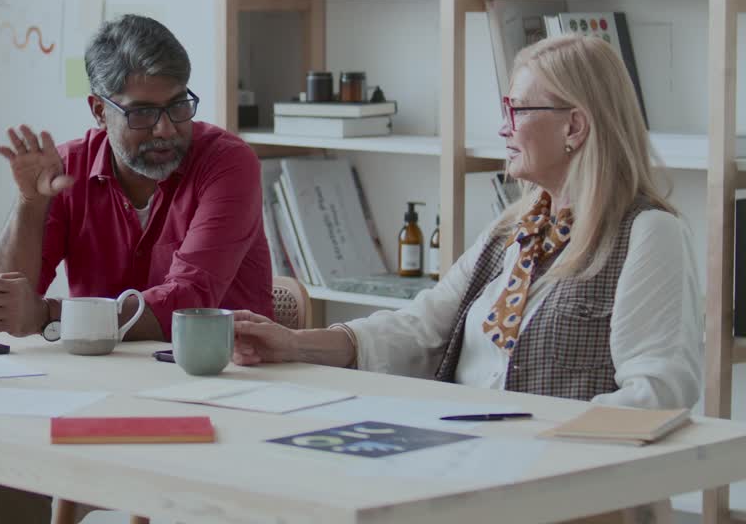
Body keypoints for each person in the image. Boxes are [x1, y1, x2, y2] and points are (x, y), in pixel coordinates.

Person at [233, 34, 702, 411]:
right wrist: (295, 345)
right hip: (462, 450)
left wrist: (555, 443)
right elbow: (420, 328)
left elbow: (658, 391)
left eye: (516, 110)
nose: (503, 128)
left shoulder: (647, 234)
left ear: (574, 128)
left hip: (555, 477)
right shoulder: (510, 233)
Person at [0, 14, 274, 523]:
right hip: (110, 388)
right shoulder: (65, 170)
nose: (166, 129)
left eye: (178, 106)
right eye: (142, 113)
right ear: (97, 110)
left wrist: (47, 313)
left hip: (222, 395)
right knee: (0, 450)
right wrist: (28, 204)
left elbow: (188, 302)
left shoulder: (228, 163)